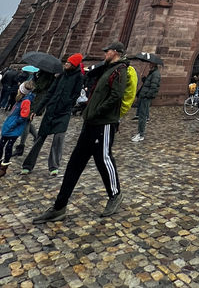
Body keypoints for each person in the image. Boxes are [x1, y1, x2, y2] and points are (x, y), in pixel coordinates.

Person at [32, 42, 128, 224]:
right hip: (90, 122)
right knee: (74, 163)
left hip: (104, 123)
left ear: (115, 52)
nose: (104, 53)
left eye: (106, 50)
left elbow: (116, 96)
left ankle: (115, 195)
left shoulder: (120, 70)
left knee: (104, 159)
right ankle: (59, 206)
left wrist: (96, 111)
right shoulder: (106, 68)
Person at [21, 54, 83, 175]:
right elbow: (49, 93)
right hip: (51, 111)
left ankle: (53, 166)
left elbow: (75, 94)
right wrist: (37, 110)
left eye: (68, 63)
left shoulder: (78, 77)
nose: (65, 64)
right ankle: (28, 165)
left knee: (58, 139)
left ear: (74, 65)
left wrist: (68, 105)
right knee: (40, 138)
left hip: (63, 113)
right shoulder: (60, 76)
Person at [0, 80, 35, 177]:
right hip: (9, 127)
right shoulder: (21, 99)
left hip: (13, 129)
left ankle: (3, 167)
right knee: (1, 145)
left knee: (8, 147)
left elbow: (23, 116)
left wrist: (13, 124)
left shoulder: (25, 101)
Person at [132, 61, 161, 142]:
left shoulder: (155, 74)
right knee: (141, 115)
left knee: (142, 116)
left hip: (146, 98)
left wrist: (146, 96)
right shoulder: (152, 73)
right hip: (143, 96)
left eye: (150, 64)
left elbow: (154, 87)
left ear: (154, 64)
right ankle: (139, 133)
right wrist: (145, 79)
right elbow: (149, 84)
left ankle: (141, 134)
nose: (149, 65)